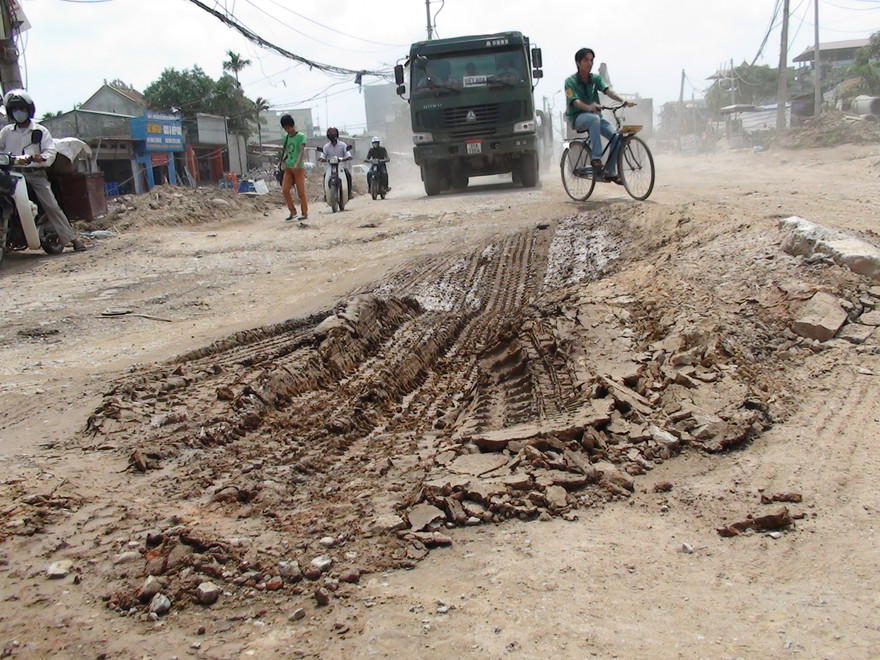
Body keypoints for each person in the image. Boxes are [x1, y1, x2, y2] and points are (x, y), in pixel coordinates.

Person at [0, 89, 87, 252]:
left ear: (28, 109)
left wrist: (40, 158)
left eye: (21, 108)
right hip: (10, 174)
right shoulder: (6, 132)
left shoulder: (40, 131)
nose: (18, 112)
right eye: (14, 109)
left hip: (34, 174)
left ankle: (72, 239)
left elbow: (50, 153)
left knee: (51, 205)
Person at [564, 48, 634, 184]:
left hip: (596, 116)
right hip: (578, 118)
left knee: (617, 137)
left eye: (591, 60)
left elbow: (608, 91)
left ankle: (610, 172)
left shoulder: (595, 79)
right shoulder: (570, 81)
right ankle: (596, 158)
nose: (589, 63)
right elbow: (575, 101)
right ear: (578, 63)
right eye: (586, 60)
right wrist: (589, 107)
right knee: (594, 119)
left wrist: (623, 101)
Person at [279, 114, 308, 220]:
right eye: (285, 128)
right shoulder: (285, 138)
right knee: (285, 190)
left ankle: (304, 212)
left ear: (292, 125)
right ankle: (292, 212)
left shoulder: (301, 137)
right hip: (288, 167)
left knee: (301, 192)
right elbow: (287, 151)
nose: (287, 130)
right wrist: (282, 161)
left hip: (298, 168)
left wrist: (297, 163)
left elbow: (301, 152)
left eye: (288, 127)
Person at [321, 127, 352, 199]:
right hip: (330, 167)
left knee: (348, 174)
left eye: (333, 134)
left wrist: (348, 157)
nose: (332, 136)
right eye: (331, 134)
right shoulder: (326, 147)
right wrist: (322, 158)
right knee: (325, 176)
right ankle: (326, 194)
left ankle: (349, 193)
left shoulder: (343, 145)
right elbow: (323, 155)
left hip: (341, 167)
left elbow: (347, 153)